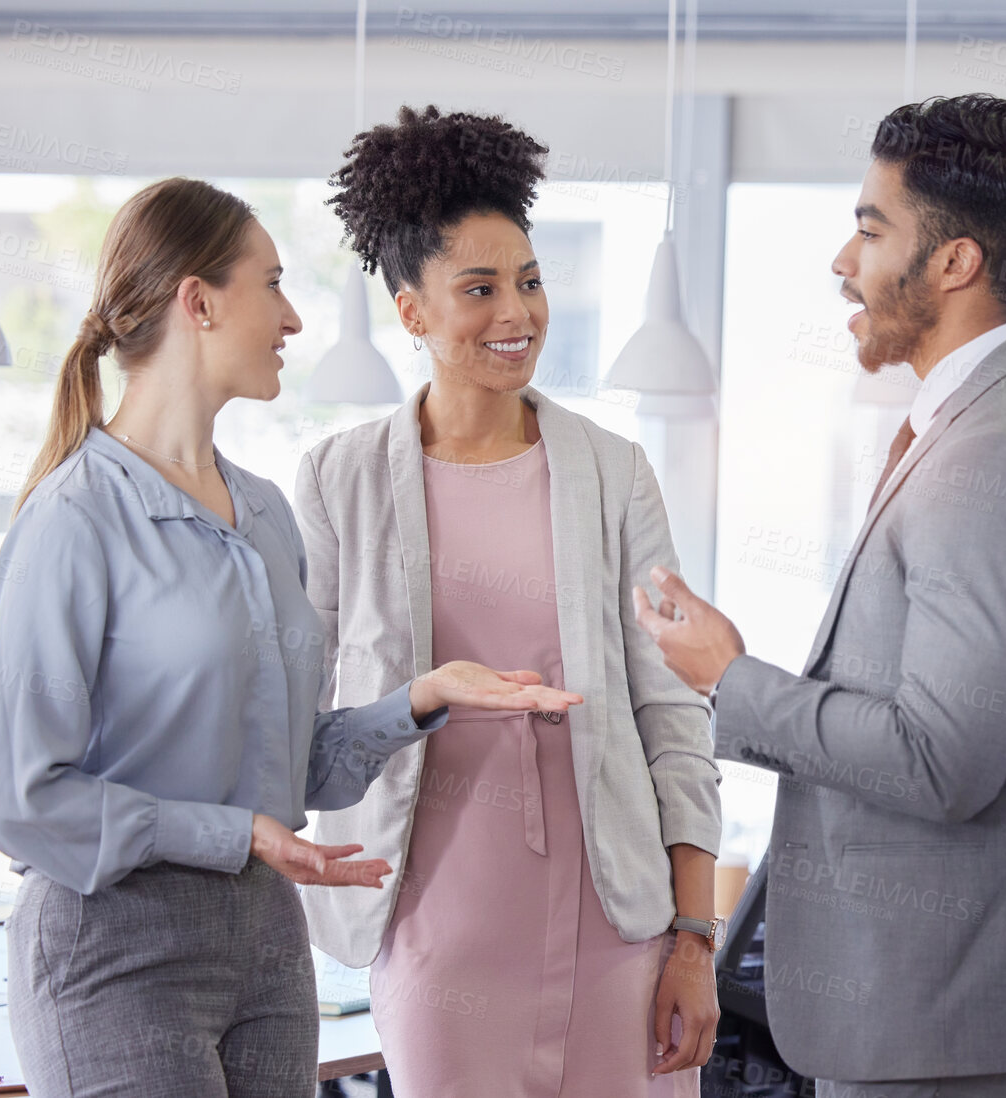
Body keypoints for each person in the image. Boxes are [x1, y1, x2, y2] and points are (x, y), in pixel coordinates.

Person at [0, 177, 579, 1098]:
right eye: (271, 285)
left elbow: (293, 771)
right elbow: (23, 799)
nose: (294, 318)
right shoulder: (74, 518)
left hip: (268, 944)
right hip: (115, 947)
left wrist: (419, 700)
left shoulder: (263, 516)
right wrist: (235, 835)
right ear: (199, 301)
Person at [632, 94, 1006, 1098]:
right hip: (928, 1001)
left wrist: (732, 681)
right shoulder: (996, 419)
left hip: (942, 1010)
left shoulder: (1002, 452)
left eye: (869, 228)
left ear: (954, 263)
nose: (840, 261)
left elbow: (943, 757)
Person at [298, 105, 722, 1097]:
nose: (517, 313)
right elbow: (294, 726)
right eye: (479, 289)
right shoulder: (338, 481)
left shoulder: (614, 473)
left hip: (617, 924)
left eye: (529, 282)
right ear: (411, 313)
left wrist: (694, 938)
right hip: (437, 926)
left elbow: (672, 714)